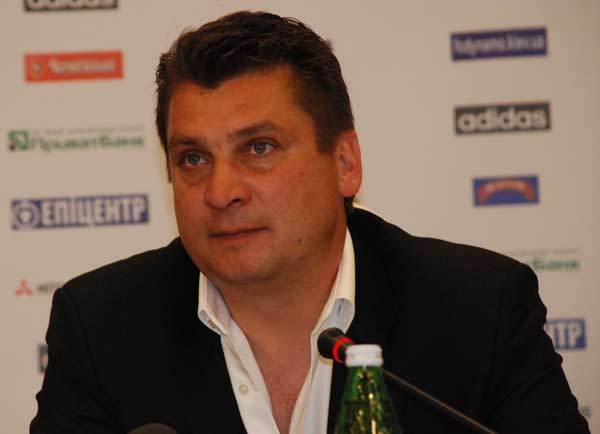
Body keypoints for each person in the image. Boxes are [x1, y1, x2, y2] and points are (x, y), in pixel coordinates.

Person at [31, 11, 589, 434]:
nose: (221, 191)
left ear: (345, 163)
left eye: (259, 147)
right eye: (193, 158)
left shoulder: (478, 310)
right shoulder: (102, 328)